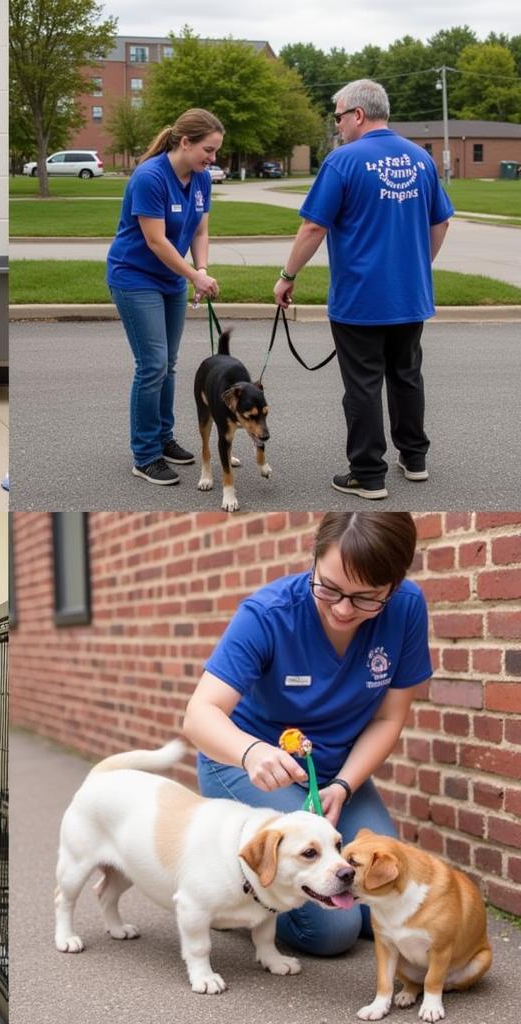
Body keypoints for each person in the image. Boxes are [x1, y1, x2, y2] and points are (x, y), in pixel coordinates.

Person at [182, 511, 432, 956]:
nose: (341, 609)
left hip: (337, 775)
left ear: (393, 587)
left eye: (365, 599)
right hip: (251, 768)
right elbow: (200, 714)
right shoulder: (268, 614)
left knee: (393, 894)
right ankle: (231, 902)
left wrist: (343, 785)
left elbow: (387, 718)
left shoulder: (408, 608)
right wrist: (251, 752)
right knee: (333, 932)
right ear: (313, 560)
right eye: (329, 587)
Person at [273, 79, 454, 501]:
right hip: (410, 296)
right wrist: (418, 267)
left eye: (338, 116)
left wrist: (288, 275)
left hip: (360, 299)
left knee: (363, 384)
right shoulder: (420, 159)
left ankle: (368, 474)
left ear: (357, 114)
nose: (337, 126)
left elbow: (314, 225)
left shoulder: (343, 161)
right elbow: (441, 221)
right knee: (406, 375)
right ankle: (414, 458)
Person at [107, 109, 223, 486]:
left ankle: (163, 437)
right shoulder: (150, 177)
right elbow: (156, 241)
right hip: (135, 277)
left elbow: (200, 230)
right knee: (152, 364)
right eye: (208, 149)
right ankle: (145, 455)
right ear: (185, 142)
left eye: (216, 151)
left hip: (171, 279)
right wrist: (192, 274)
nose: (213, 159)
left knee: (168, 364)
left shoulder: (202, 179)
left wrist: (200, 269)